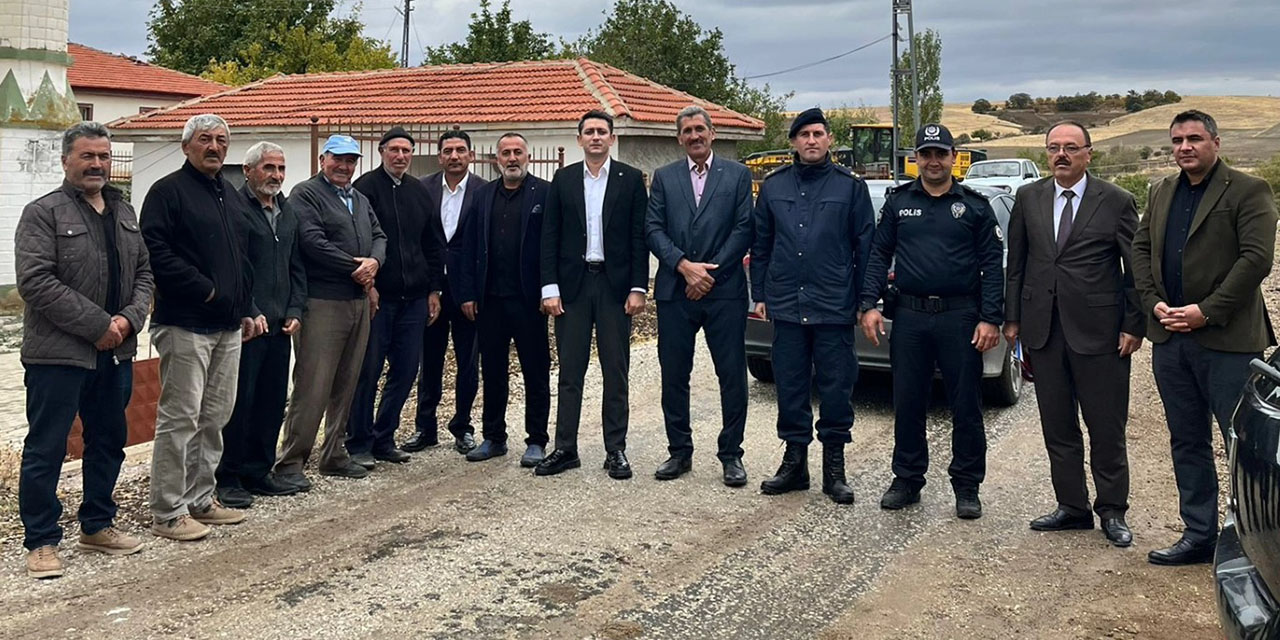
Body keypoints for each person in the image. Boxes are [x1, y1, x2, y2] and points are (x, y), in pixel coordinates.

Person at [1132, 109, 1278, 566]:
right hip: (1171, 338)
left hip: (1229, 342)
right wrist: (1153, 302)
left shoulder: (1249, 190)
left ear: (1216, 142)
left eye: (1194, 138)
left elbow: (1256, 260)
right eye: (1177, 140)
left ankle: (1253, 544)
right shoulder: (1161, 191)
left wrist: (1206, 311)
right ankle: (1199, 534)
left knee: (1244, 445)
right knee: (1187, 440)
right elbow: (1140, 248)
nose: (1185, 147)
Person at [16, 122, 153, 578]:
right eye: (87, 156)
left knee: (108, 441)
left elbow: (144, 274)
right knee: (47, 447)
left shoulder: (124, 211)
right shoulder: (43, 213)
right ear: (65, 160)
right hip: (58, 355)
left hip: (115, 352)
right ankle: (41, 540)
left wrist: (127, 321)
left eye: (104, 156)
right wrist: (98, 325)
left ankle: (97, 524)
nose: (97, 164)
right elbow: (36, 281)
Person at [1003, 121, 1143, 547]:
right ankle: (1072, 507)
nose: (1061, 155)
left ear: (1088, 153)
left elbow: (1135, 270)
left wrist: (1133, 324)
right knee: (1058, 426)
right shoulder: (1028, 197)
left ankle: (1112, 510)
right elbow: (1017, 265)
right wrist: (1013, 320)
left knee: (1106, 427)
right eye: (1053, 148)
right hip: (1044, 331)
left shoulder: (1116, 201)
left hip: (1101, 334)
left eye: (1070, 147)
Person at [859, 123, 1003, 519]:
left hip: (961, 317)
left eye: (941, 153)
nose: (934, 161)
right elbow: (878, 255)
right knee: (907, 401)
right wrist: (869, 304)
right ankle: (907, 479)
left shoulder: (974, 206)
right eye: (926, 154)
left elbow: (992, 266)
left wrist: (991, 317)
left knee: (966, 404)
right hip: (910, 316)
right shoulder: (899, 202)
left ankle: (967, 485)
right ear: (916, 158)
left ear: (954, 157)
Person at [141, 114, 257, 541]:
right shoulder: (167, 192)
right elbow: (155, 252)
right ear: (186, 145)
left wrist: (245, 305)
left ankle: (201, 499)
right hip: (186, 323)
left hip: (227, 325)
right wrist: (205, 290)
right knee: (181, 418)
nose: (214, 147)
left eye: (222, 140)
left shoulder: (229, 194)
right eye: (205, 139)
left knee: (214, 416)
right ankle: (168, 511)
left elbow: (241, 258)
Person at [750, 108, 875, 504]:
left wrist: (866, 301)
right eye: (803, 134)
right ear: (793, 142)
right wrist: (760, 294)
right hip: (787, 304)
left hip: (833, 305)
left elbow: (866, 248)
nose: (811, 140)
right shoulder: (774, 186)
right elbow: (762, 243)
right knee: (789, 385)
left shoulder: (850, 187)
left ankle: (834, 469)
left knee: (836, 387)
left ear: (829, 140)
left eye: (818, 133)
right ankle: (794, 464)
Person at [537, 110, 649, 479]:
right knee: (570, 371)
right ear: (579, 139)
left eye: (602, 131)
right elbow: (549, 236)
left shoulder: (631, 179)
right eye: (589, 131)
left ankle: (615, 449)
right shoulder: (564, 179)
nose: (596, 137)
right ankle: (565, 448)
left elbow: (638, 237)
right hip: (573, 287)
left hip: (614, 287)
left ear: (612, 139)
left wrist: (638, 287)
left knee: (615, 370)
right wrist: (549, 288)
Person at [645, 105, 753, 487]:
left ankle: (731, 454)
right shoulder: (664, 177)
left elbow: (744, 228)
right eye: (687, 131)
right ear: (679, 138)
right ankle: (679, 451)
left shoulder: (737, 175)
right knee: (674, 375)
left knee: (732, 375)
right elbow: (653, 228)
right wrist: (683, 266)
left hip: (724, 292)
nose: (694, 136)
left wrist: (708, 273)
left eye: (699, 129)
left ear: (712, 133)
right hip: (676, 291)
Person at [274, 135, 387, 488]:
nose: (344, 166)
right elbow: (312, 241)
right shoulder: (306, 194)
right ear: (323, 159)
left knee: (347, 381)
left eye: (351, 160)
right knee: (313, 384)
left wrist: (375, 262)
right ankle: (291, 462)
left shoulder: (359, 198)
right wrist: (355, 267)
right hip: (322, 301)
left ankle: (334, 454)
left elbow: (380, 235)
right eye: (338, 159)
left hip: (358, 301)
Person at [213, 142, 307, 509]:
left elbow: (296, 264)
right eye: (269, 167)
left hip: (280, 323)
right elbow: (233, 267)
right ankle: (229, 477)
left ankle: (258, 471)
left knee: (271, 401)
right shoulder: (235, 209)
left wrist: (295, 308)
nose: (276, 175)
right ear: (248, 170)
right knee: (241, 402)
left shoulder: (287, 210)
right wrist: (249, 309)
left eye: (281, 168)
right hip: (249, 325)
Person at [347, 127, 444, 468]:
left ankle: (384, 437)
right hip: (379, 299)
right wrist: (369, 285)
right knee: (368, 372)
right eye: (394, 150)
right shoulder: (364, 190)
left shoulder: (419, 192)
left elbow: (433, 244)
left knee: (405, 371)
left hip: (414, 299)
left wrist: (434, 290)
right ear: (382, 152)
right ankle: (358, 442)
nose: (400, 156)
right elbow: (358, 243)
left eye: (406, 151)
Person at [455, 133, 552, 467]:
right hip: (490, 301)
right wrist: (467, 293)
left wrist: (549, 290)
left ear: (528, 157)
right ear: (497, 159)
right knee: (493, 371)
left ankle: (536, 440)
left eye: (518, 152)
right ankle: (493, 437)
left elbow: (552, 246)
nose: (512, 158)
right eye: (506, 153)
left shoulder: (545, 193)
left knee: (535, 372)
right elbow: (468, 246)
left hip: (529, 300)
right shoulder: (482, 195)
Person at [405, 130, 487, 455]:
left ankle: (463, 427)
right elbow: (419, 240)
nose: (454, 156)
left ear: (471, 155)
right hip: (431, 291)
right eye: (448, 151)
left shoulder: (484, 191)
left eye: (460, 150)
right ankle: (425, 428)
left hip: (468, 294)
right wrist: (430, 287)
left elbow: (484, 247)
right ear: (439, 157)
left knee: (468, 363)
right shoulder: (422, 189)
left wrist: (473, 292)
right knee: (429, 361)